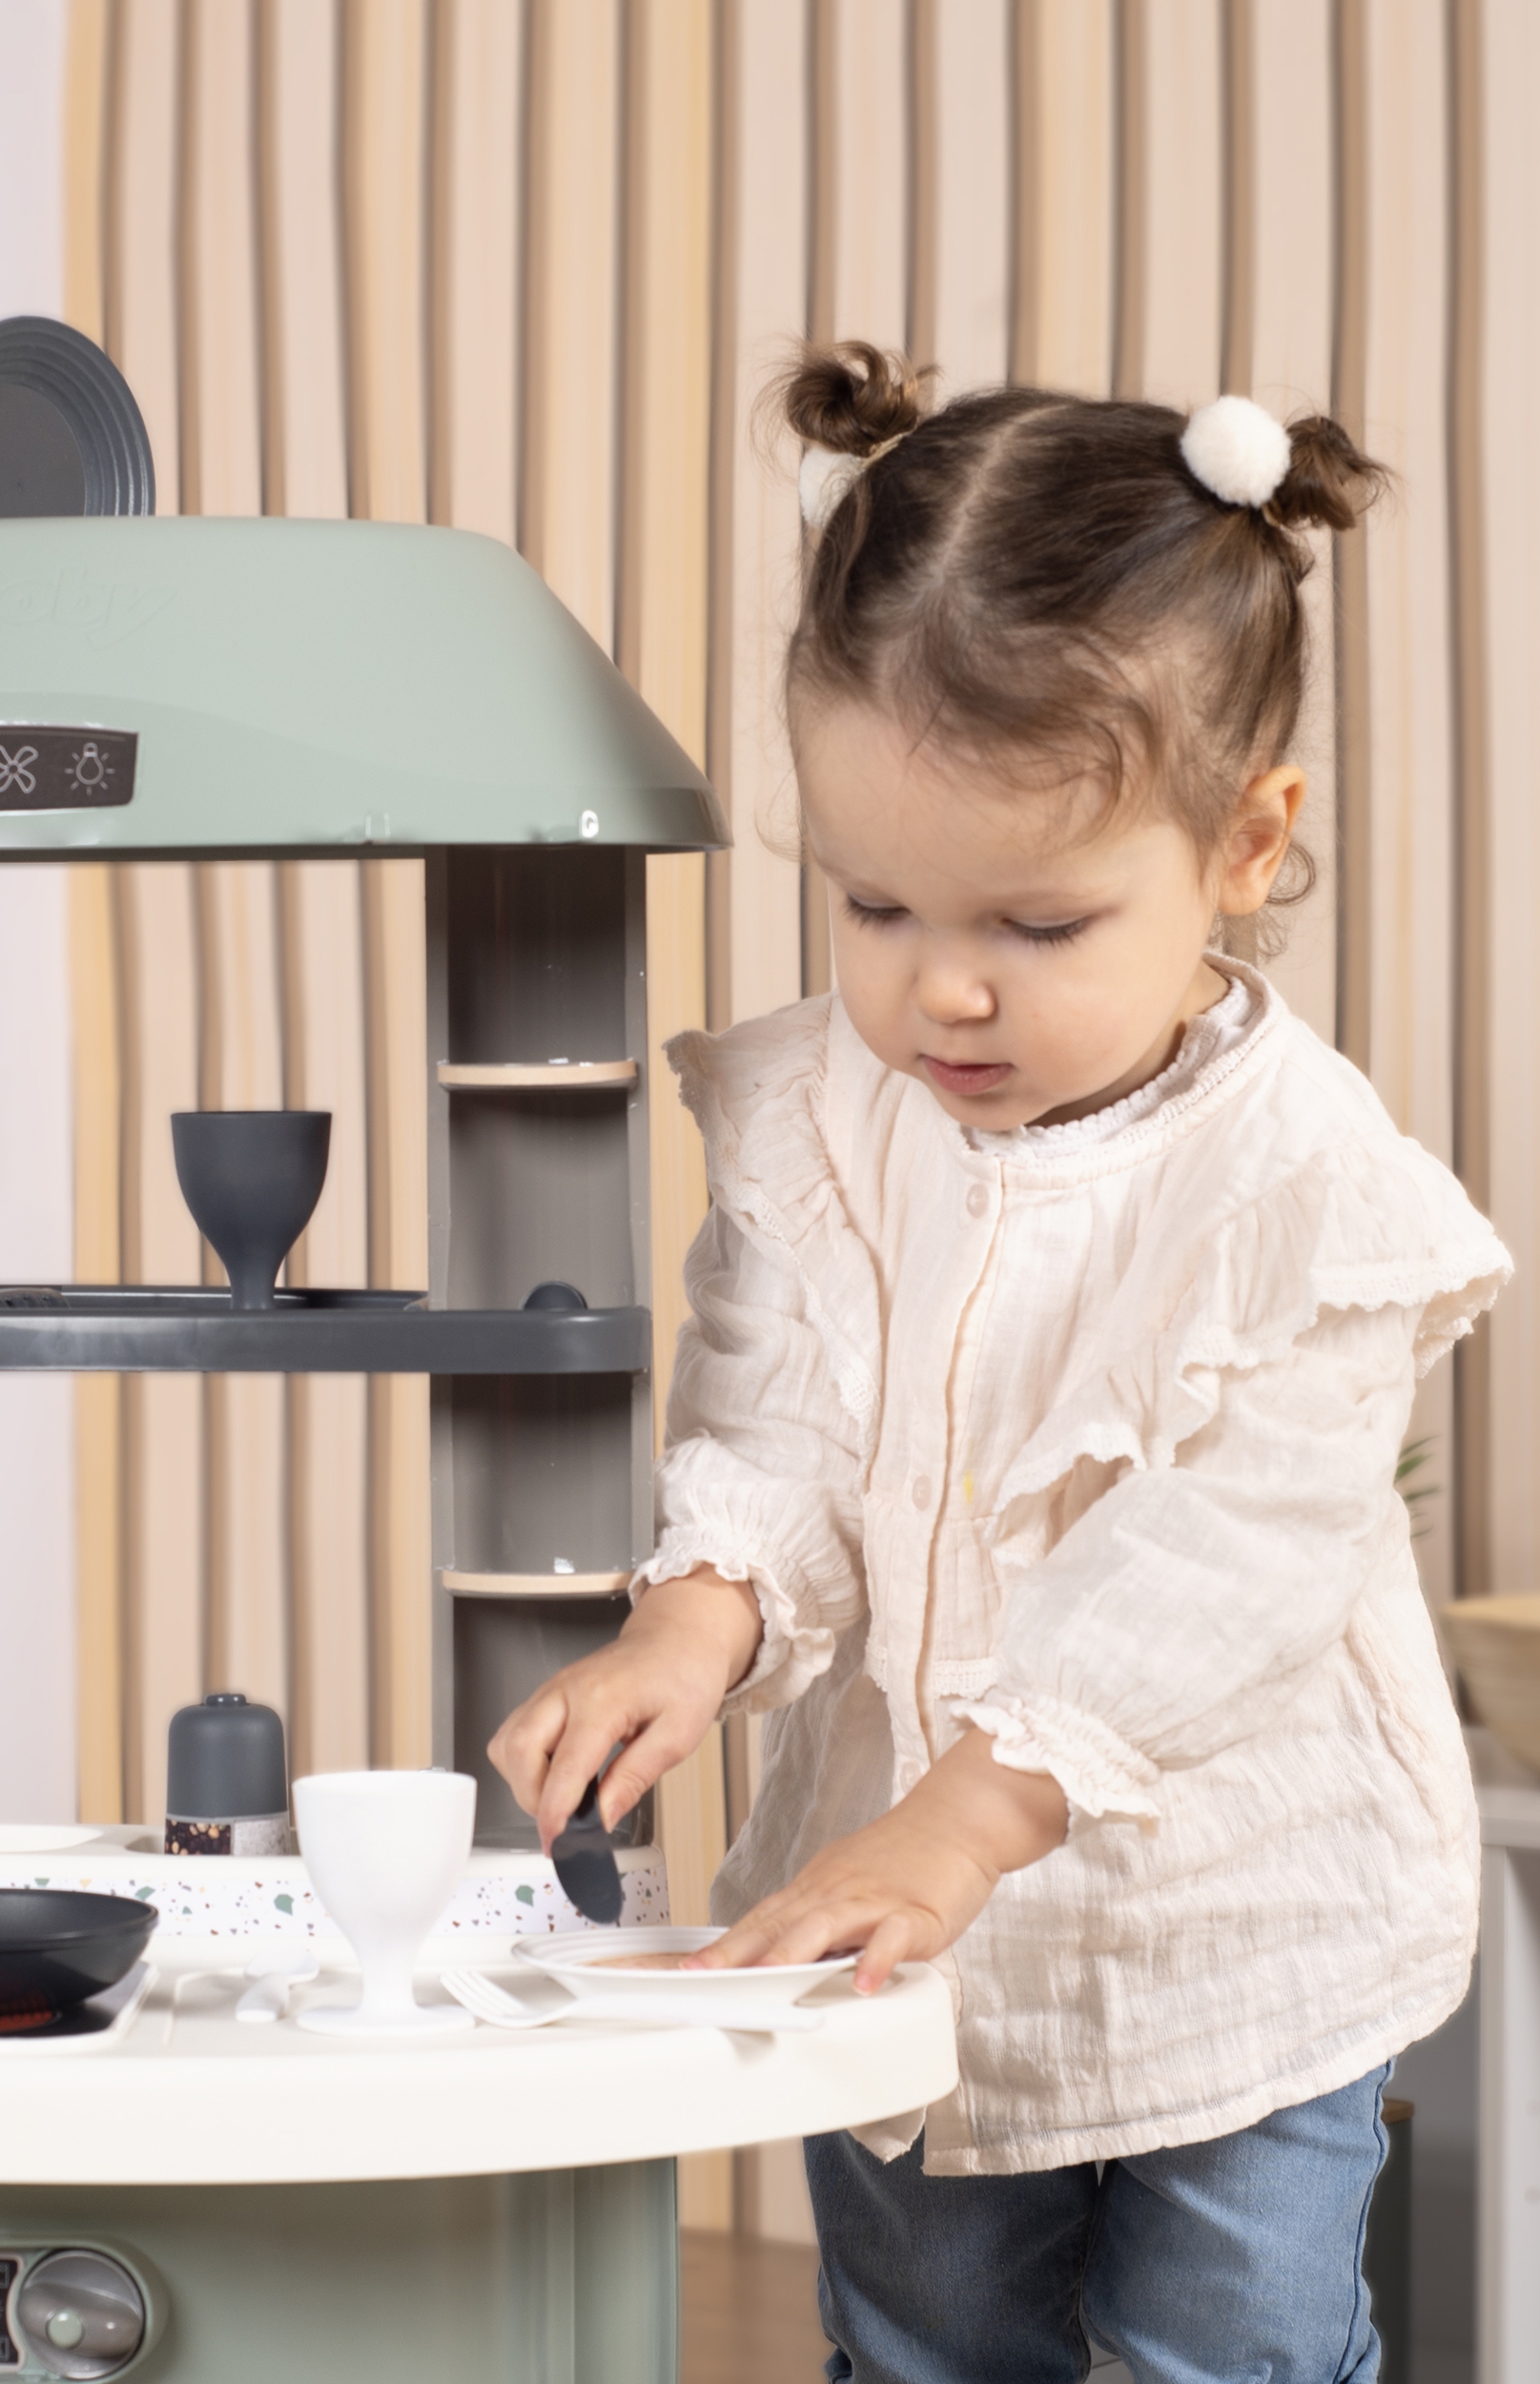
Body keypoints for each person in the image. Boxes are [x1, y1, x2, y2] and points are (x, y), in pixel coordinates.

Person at [488, 343, 1510, 2384]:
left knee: (1223, 2342)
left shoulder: (1304, 1185)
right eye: (873, 903)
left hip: (1240, 1924)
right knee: (927, 2334)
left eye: (1036, 926)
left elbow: (1227, 1568)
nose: (939, 989)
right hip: (897, 1908)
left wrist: (969, 1819)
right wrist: (695, 1620)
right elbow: (777, 1405)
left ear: (1245, 844)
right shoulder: (821, 1117)